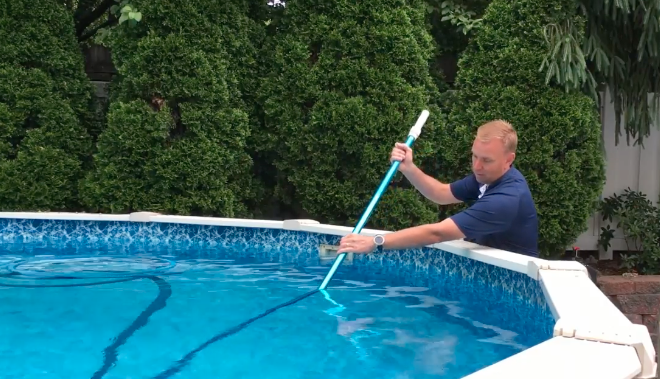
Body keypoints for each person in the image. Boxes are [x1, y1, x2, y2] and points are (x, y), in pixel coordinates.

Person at [337, 120, 539, 257]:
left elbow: (438, 233)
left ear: (508, 160)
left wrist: (375, 242)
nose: (477, 166)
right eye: (474, 156)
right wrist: (409, 168)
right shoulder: (487, 176)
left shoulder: (507, 198)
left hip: (513, 284)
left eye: (486, 160)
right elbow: (442, 194)